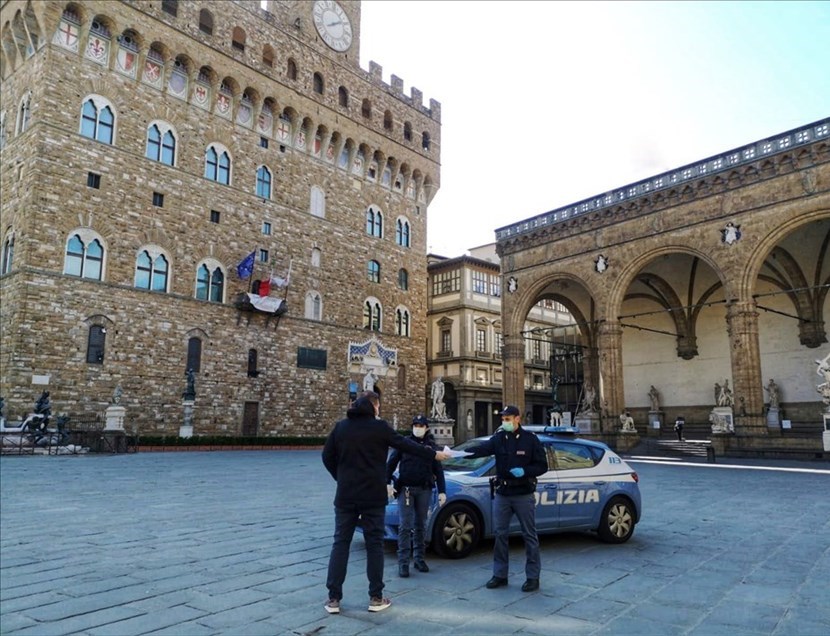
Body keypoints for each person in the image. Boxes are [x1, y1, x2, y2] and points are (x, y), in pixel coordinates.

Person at [322, 392, 449, 615]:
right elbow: (407, 445)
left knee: (340, 544)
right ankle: (375, 597)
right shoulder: (380, 428)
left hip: (346, 495)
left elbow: (327, 457)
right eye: (379, 406)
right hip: (372, 497)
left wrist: (341, 478)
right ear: (374, 406)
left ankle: (333, 599)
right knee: (374, 545)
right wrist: (433, 454)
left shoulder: (341, 427)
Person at [465, 405, 547, 592]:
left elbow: (542, 466)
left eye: (508, 418)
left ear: (517, 419)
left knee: (529, 535)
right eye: (503, 419)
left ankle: (533, 577)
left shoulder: (530, 440)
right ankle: (500, 574)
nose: (504, 422)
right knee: (500, 535)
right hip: (503, 493)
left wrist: (525, 471)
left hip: (523, 493)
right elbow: (482, 450)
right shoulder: (499, 438)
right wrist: (459, 454)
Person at [386, 415, 447, 578]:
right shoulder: (404, 444)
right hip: (406, 488)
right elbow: (390, 464)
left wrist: (442, 491)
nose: (417, 427)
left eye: (421, 425)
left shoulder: (431, 447)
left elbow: (438, 470)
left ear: (426, 428)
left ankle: (419, 559)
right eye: (415, 424)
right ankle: (403, 562)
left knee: (421, 525)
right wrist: (387, 482)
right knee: (405, 526)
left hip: (424, 489)